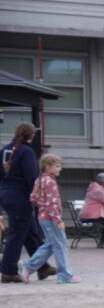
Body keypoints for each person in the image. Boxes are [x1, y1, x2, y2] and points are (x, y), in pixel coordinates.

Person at [0, 122, 55, 283]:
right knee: (16, 234)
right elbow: (32, 178)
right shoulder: (26, 152)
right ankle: (8, 270)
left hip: (5, 194)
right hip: (21, 197)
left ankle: (42, 267)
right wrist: (41, 198)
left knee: (30, 233)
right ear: (32, 135)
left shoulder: (4, 150)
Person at [18, 153, 80, 284]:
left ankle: (28, 267)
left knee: (52, 244)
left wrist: (43, 207)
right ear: (47, 167)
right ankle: (64, 275)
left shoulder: (40, 180)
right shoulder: (50, 182)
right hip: (51, 219)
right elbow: (51, 203)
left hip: (43, 217)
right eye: (57, 166)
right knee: (61, 245)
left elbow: (33, 198)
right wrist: (58, 220)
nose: (60, 168)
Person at [79, 172, 104, 247]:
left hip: (88, 214)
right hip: (92, 215)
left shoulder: (94, 188)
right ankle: (103, 241)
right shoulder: (98, 191)